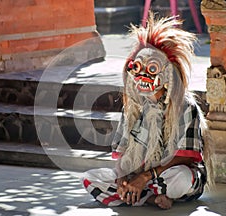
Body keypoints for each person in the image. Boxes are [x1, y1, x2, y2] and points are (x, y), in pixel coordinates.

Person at [82, 13, 214, 209]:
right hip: (141, 175)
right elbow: (123, 150)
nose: (142, 75)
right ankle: (148, 197)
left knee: (181, 178)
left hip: (168, 175)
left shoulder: (185, 106)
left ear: (167, 73)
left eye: (151, 68)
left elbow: (186, 157)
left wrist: (146, 177)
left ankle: (142, 194)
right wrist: (124, 178)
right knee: (90, 178)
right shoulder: (133, 107)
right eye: (137, 68)